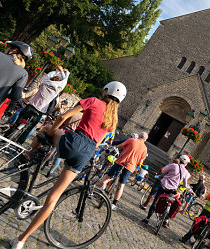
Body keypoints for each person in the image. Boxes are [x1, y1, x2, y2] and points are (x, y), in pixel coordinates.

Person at [9, 81, 127, 249]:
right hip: (86, 153)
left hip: (74, 141)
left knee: (46, 130)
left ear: (106, 91)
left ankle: (26, 158)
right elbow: (98, 141)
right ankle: (21, 240)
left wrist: (51, 130)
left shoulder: (94, 101)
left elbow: (63, 117)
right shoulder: (113, 120)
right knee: (53, 198)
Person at [6, 65, 70, 142]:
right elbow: (64, 81)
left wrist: (57, 71)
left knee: (18, 122)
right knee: (29, 128)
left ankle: (6, 137)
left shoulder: (44, 83)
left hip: (31, 106)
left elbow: (48, 75)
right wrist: (63, 73)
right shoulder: (57, 90)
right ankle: (20, 142)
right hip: (40, 111)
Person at [97, 132, 148, 211]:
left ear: (139, 136)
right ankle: (114, 203)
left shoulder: (132, 140)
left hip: (120, 162)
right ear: (145, 140)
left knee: (106, 178)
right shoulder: (145, 149)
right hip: (129, 168)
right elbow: (140, 162)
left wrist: (114, 148)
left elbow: (119, 146)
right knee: (121, 185)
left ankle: (94, 192)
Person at [141, 154, 191, 228]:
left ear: (179, 159)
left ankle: (147, 219)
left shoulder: (173, 165)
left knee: (155, 201)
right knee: (168, 202)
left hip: (163, 185)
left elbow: (163, 172)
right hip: (172, 190)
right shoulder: (186, 173)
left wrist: (161, 176)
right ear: (186, 163)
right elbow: (184, 184)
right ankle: (165, 218)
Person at [0, 41, 31, 119]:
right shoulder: (23, 74)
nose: (5, 50)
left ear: (15, 50)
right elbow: (15, 96)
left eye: (8, 47)